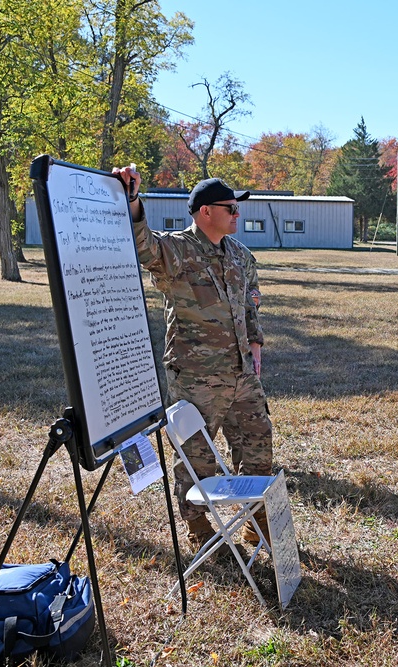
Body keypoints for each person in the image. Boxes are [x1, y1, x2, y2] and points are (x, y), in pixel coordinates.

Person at [114, 168, 274, 548]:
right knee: (195, 457)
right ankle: (199, 529)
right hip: (197, 377)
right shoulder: (178, 250)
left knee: (258, 445)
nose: (237, 214)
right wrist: (134, 201)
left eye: (237, 208)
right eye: (230, 208)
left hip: (241, 374)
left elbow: (250, 299)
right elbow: (143, 248)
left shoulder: (240, 255)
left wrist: (255, 342)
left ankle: (257, 522)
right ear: (205, 212)